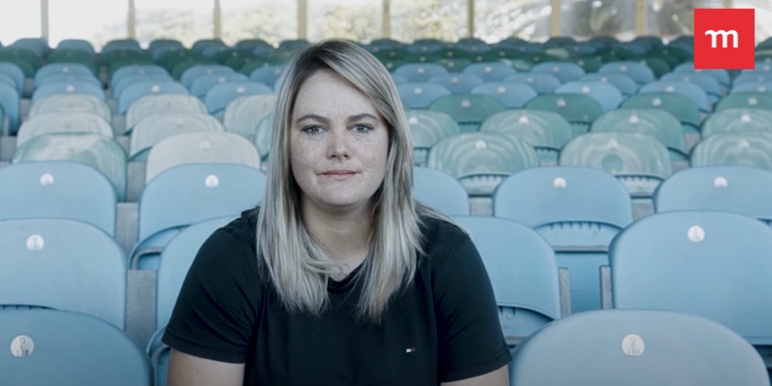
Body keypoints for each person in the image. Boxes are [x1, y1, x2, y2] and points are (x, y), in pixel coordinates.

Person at [163, 39, 511, 386]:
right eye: (314, 129)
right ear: (286, 143)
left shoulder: (447, 256)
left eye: (361, 127)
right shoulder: (229, 259)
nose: (339, 149)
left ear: (392, 140)